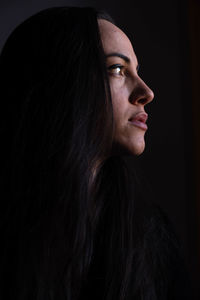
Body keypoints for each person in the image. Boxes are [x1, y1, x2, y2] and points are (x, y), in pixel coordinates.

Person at [0, 6, 193, 300]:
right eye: (117, 69)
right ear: (59, 84)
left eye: (136, 71)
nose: (146, 92)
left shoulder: (153, 237)